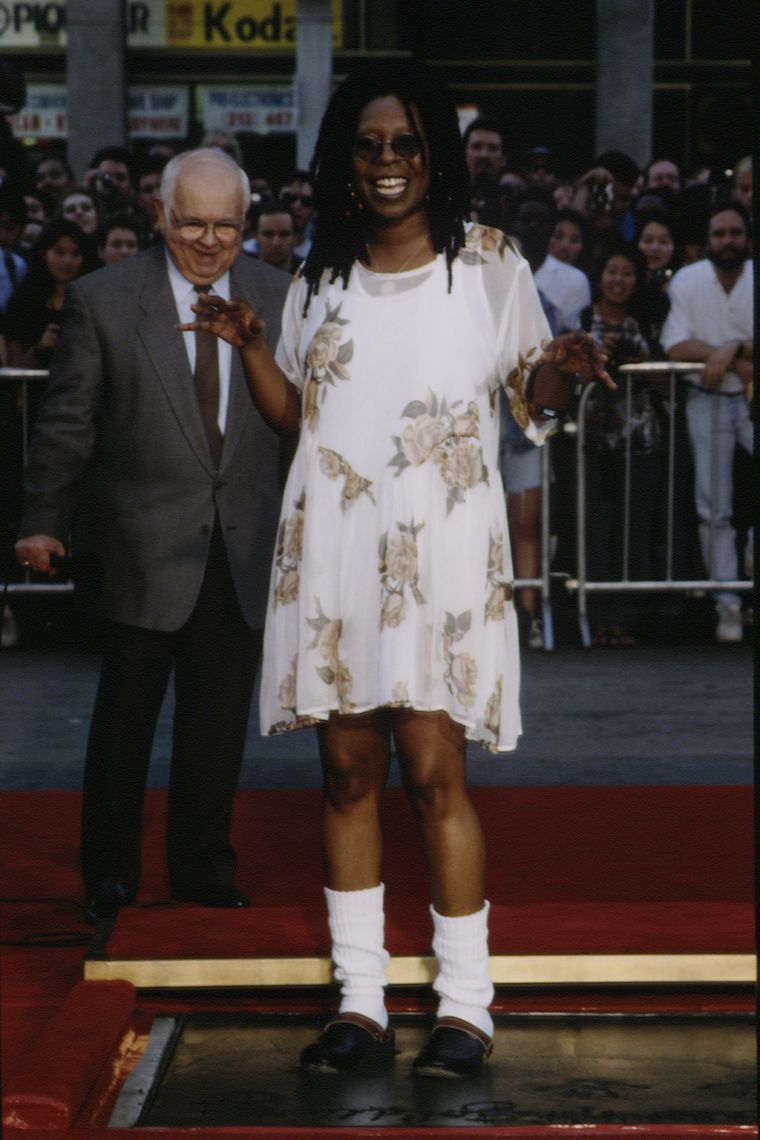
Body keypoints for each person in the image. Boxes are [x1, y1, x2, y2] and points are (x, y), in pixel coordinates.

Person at [184, 59, 610, 1078]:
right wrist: (250, 346)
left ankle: (465, 1007)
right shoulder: (320, 276)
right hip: (332, 545)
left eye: (406, 144)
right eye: (369, 145)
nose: (387, 163)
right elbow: (300, 417)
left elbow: (528, 397)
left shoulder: (490, 263)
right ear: (343, 160)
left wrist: (562, 370)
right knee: (344, 773)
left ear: (436, 157)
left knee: (432, 774)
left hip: (443, 551)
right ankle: (361, 1004)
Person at [14, 148, 290, 924]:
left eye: (227, 226)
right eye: (193, 223)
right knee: (123, 724)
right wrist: (42, 519)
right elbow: (68, 422)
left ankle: (203, 869)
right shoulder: (105, 300)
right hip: (134, 548)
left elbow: (300, 422)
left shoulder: (281, 296)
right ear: (161, 216)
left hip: (238, 548)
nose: (209, 241)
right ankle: (109, 872)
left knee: (216, 724)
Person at [660, 203, 753, 643]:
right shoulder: (688, 279)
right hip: (707, 398)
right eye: (719, 233)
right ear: (708, 239)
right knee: (713, 507)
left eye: (735, 232)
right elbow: (676, 346)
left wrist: (727, 349)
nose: (728, 241)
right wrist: (733, 354)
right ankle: (728, 606)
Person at [249, 200, 301, 274]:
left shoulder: (308, 275)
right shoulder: (240, 274)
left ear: (294, 237)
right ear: (255, 236)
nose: (276, 243)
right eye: (268, 234)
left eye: (284, 235)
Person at [278, 170, 315, 258]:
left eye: (306, 201)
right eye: (290, 198)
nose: (297, 205)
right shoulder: (248, 250)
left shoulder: (317, 255)